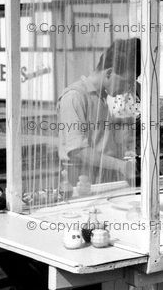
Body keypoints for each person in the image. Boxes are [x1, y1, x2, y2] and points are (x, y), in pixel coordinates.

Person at [58, 38, 141, 186]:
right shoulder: (74, 97)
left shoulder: (103, 97)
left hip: (104, 179)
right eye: (126, 82)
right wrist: (121, 166)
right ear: (109, 73)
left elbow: (104, 142)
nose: (127, 88)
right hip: (82, 183)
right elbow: (78, 151)